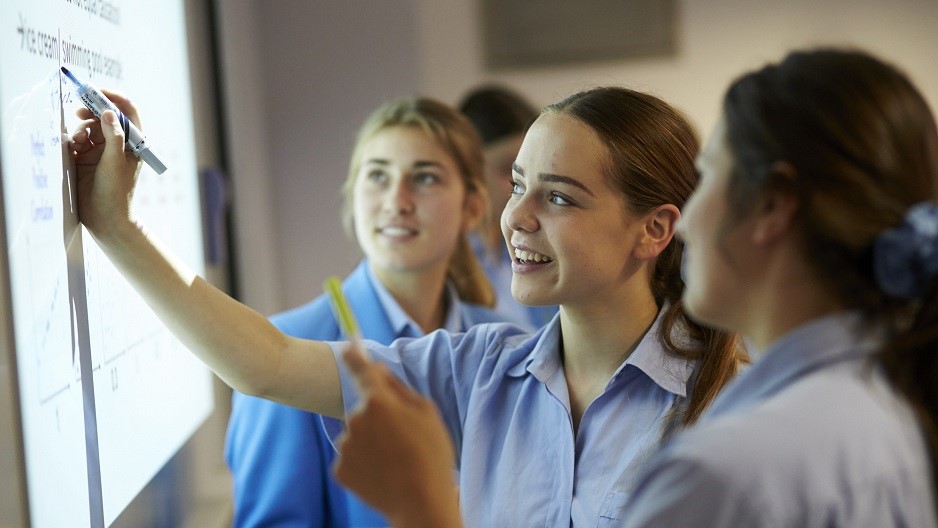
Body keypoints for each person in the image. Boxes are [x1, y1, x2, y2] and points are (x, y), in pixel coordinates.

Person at [69, 84, 744, 527]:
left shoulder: (731, 407)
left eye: (559, 197)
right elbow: (266, 365)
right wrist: (117, 226)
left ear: (656, 229)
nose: (518, 218)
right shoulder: (482, 369)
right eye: (517, 186)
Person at [334, 48, 938, 528]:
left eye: (709, 183)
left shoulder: (730, 465)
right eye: (518, 185)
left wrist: (420, 508)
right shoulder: (884, 410)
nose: (689, 222)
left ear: (773, 206)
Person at [224, 98, 524, 527]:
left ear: (472, 207)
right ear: (353, 198)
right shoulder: (285, 349)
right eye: (378, 176)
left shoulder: (509, 344)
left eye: (424, 178)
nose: (396, 201)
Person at [458, 84, 558, 328]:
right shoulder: (447, 265)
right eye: (509, 171)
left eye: (535, 174)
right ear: (467, 170)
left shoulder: (534, 248)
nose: (525, 193)